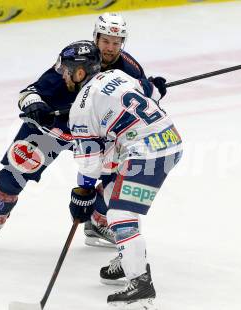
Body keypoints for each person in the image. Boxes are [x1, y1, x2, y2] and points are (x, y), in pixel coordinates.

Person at [0, 13, 167, 251]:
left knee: (118, 174)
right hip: (54, 129)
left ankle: (98, 222)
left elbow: (139, 100)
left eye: (116, 42)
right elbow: (29, 92)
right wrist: (35, 105)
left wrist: (155, 90)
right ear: (95, 38)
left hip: (95, 134)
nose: (110, 48)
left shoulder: (128, 67)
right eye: (105, 41)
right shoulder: (76, 58)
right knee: (15, 171)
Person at [58, 40, 182, 308]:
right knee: (117, 195)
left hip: (145, 153)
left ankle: (140, 284)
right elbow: (150, 91)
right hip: (170, 141)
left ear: (80, 72)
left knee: (119, 214)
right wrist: (155, 87)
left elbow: (90, 165)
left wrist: (83, 195)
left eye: (67, 70)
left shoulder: (81, 106)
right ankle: (130, 260)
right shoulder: (117, 74)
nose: (64, 75)